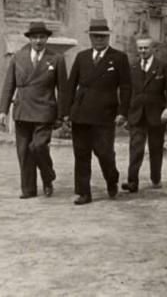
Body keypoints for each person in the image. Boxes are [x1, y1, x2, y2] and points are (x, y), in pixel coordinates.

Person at [63, 19, 131, 205]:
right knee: (81, 153)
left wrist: (122, 112)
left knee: (104, 153)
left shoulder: (118, 58)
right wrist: (67, 112)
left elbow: (125, 87)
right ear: (90, 37)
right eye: (95, 36)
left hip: (105, 114)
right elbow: (70, 85)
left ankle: (112, 178)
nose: (99, 40)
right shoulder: (82, 57)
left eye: (102, 36)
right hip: (81, 112)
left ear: (108, 37)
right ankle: (83, 192)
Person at [0, 22, 67, 199]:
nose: (38, 41)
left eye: (42, 37)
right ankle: (28, 189)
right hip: (22, 110)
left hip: (45, 110)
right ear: (29, 38)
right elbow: (9, 85)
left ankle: (47, 177)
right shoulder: (18, 57)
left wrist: (61, 115)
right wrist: (2, 110)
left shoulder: (56, 58)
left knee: (38, 146)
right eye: (35, 37)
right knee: (24, 152)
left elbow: (63, 89)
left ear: (47, 38)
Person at [121, 36, 167, 193]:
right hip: (137, 114)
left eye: (146, 48)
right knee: (135, 148)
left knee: (156, 148)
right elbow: (127, 92)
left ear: (153, 49)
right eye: (140, 48)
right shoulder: (132, 68)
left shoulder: (162, 66)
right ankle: (132, 182)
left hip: (156, 114)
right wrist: (124, 113)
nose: (143, 51)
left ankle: (156, 177)